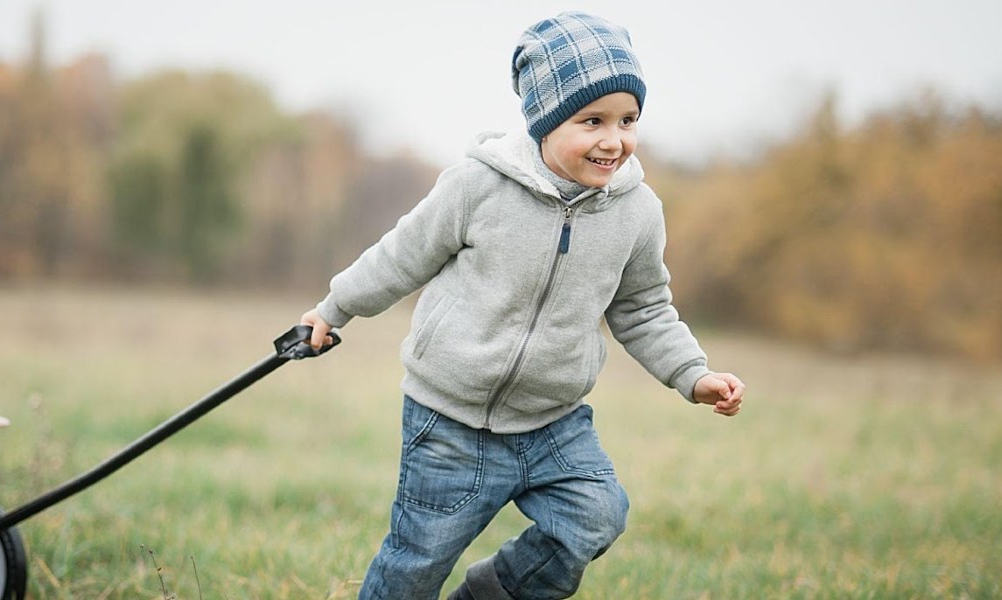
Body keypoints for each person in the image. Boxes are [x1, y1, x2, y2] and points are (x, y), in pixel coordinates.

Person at [300, 11, 745, 599]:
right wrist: (333, 309)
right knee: (416, 564)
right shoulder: (476, 186)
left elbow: (643, 309)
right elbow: (400, 257)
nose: (614, 139)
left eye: (628, 120)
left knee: (596, 516)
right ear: (545, 118)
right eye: (593, 121)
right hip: (449, 421)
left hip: (552, 422)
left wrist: (694, 374)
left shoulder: (637, 213)